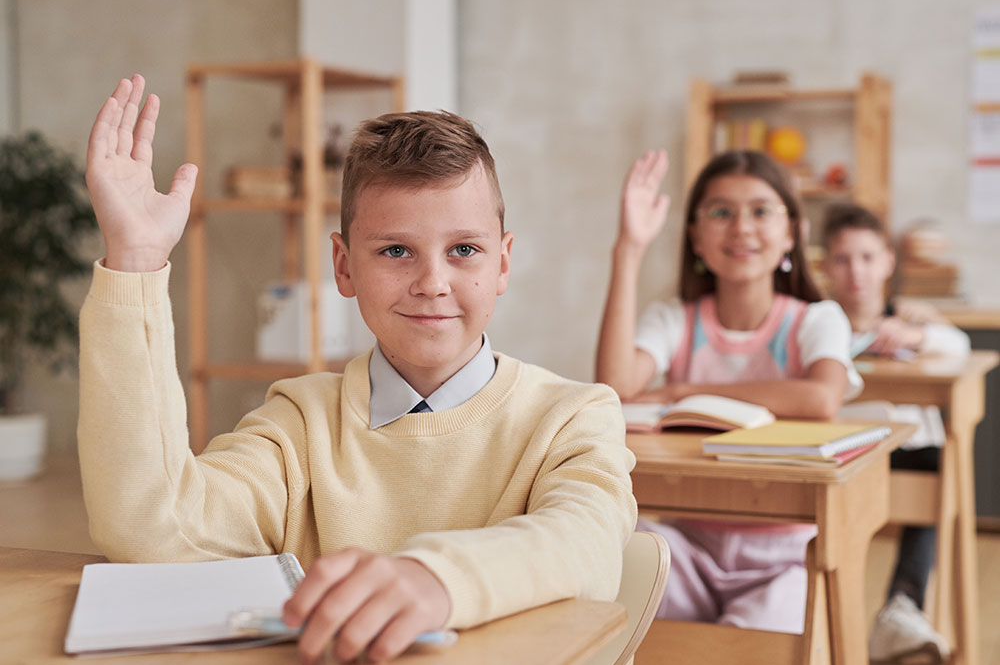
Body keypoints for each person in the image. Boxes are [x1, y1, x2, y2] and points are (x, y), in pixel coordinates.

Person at [78, 74, 637, 664]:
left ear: (502, 262)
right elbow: (155, 527)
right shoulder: (298, 422)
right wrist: (136, 263)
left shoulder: (573, 416)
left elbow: (588, 544)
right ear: (343, 267)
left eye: (464, 250)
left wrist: (436, 580)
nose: (432, 283)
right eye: (396, 251)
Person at [596, 149, 861, 634]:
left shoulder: (817, 319)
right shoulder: (675, 317)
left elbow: (821, 397)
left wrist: (683, 390)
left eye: (761, 211)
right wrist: (629, 249)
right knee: (612, 550)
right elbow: (614, 387)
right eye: (720, 212)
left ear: (792, 232)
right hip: (688, 548)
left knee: (755, 634)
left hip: (786, 560)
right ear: (695, 234)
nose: (741, 228)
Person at [821, 203, 968, 665]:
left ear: (887, 260)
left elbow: (959, 346)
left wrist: (915, 337)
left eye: (867, 257)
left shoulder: (911, 316)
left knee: (940, 467)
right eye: (842, 259)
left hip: (911, 451)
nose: (856, 272)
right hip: (843, 451)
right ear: (826, 266)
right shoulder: (817, 323)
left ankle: (902, 605)